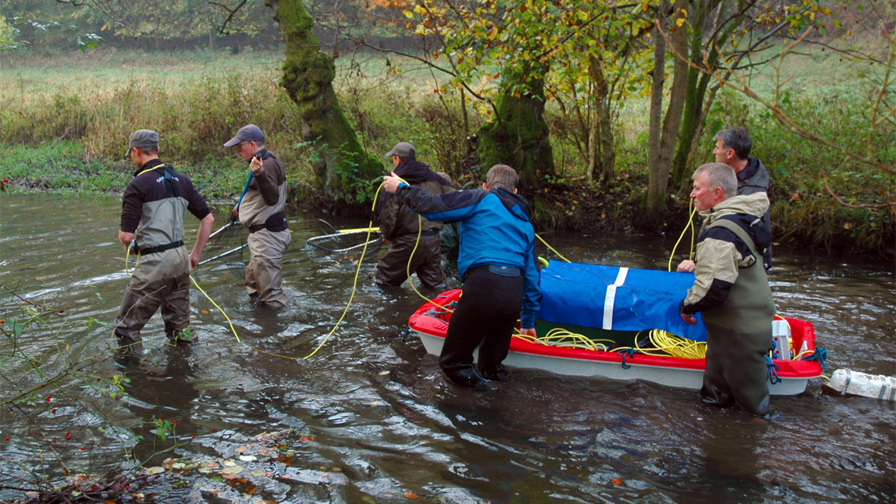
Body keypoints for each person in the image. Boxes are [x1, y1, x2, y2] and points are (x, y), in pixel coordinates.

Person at [383, 164, 541, 391]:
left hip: (484, 286)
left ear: (485, 186)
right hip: (513, 294)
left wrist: (401, 189)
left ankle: (483, 401)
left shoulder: (480, 198)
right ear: (515, 192)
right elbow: (533, 278)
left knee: (453, 363)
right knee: (492, 366)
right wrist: (527, 322)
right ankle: (500, 403)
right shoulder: (526, 224)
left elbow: (430, 207)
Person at [678, 163, 775, 416]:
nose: (692, 194)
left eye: (697, 188)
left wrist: (687, 306)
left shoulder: (721, 231)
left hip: (742, 333)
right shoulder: (739, 219)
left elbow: (713, 288)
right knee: (714, 399)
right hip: (727, 330)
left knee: (755, 411)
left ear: (717, 193)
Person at [113, 129, 214, 353]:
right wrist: (194, 256)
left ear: (135, 152)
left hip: (154, 264)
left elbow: (127, 236)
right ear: (157, 150)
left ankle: (135, 380)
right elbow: (208, 219)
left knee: (125, 328)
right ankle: (187, 370)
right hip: (180, 259)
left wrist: (129, 245)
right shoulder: (181, 180)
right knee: (181, 328)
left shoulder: (137, 185)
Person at [224, 124, 291, 307]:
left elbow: (271, 197)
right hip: (263, 236)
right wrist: (243, 205)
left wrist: (259, 174)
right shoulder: (265, 161)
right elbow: (263, 195)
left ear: (252, 144)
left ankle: (275, 332)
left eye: (239, 147)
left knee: (271, 298)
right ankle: (260, 325)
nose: (237, 151)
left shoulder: (265, 165)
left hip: (268, 238)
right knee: (253, 287)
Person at [375, 142, 454, 289]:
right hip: (434, 239)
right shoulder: (436, 178)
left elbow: (388, 216)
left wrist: (387, 235)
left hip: (409, 241)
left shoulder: (394, 184)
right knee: (436, 284)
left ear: (397, 159)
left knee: (383, 280)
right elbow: (453, 202)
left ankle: (390, 311)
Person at [712, 127, 772, 268]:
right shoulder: (732, 175)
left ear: (730, 153)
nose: (714, 152)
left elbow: (740, 237)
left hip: (746, 262)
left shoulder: (751, 192)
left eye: (717, 148)